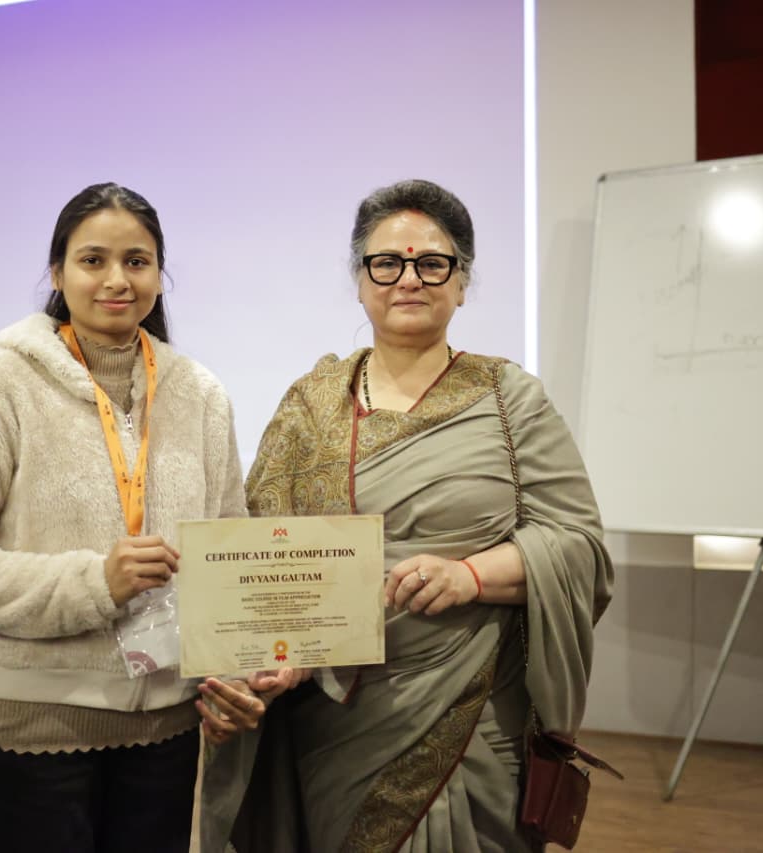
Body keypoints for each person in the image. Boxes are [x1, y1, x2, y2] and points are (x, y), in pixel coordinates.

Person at [199, 179, 614, 852]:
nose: (409, 279)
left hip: (476, 714)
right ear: (361, 281)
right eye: (387, 263)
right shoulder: (310, 405)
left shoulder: (511, 402)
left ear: (462, 282)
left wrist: (470, 576)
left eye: (433, 264)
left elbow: (578, 547)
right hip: (337, 724)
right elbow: (262, 561)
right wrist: (273, 661)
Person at [0, 182, 266, 853]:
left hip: (169, 733)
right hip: (38, 732)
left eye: (137, 261)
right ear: (58, 274)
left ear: (159, 275)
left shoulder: (202, 395)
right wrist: (95, 583)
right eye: (93, 260)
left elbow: (227, 562)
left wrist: (233, 678)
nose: (117, 279)